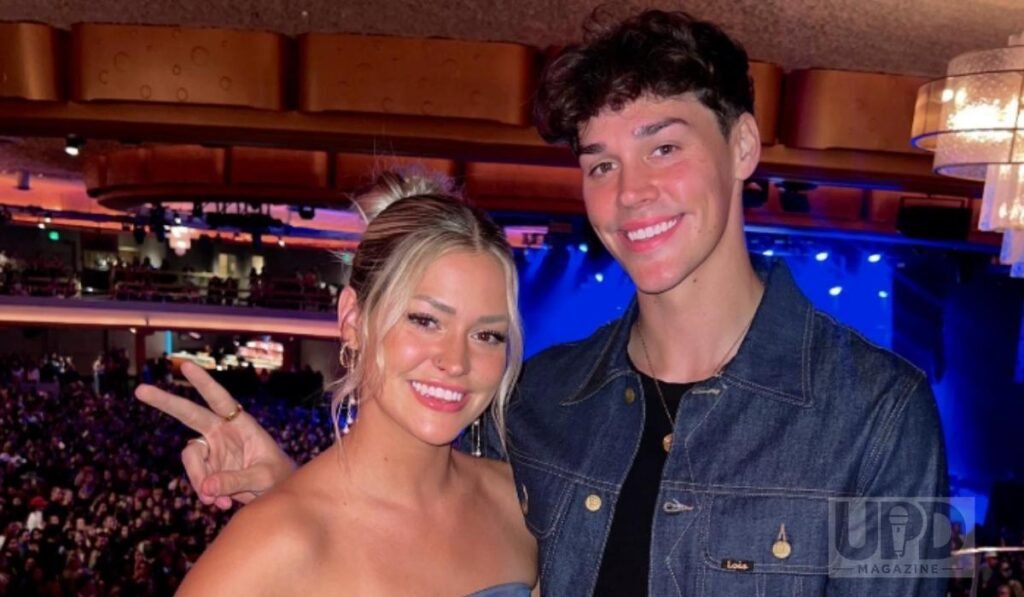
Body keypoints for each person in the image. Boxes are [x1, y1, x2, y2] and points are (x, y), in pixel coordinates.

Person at [139, 9, 948, 597]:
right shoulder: (535, 404)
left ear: (741, 146)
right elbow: (403, 527)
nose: (630, 193)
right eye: (600, 164)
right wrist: (292, 503)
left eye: (664, 147)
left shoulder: (882, 414)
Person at [136, 172, 537, 595]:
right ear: (352, 320)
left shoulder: (520, 503)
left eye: (487, 335)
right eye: (425, 320)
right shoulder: (274, 544)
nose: (456, 362)